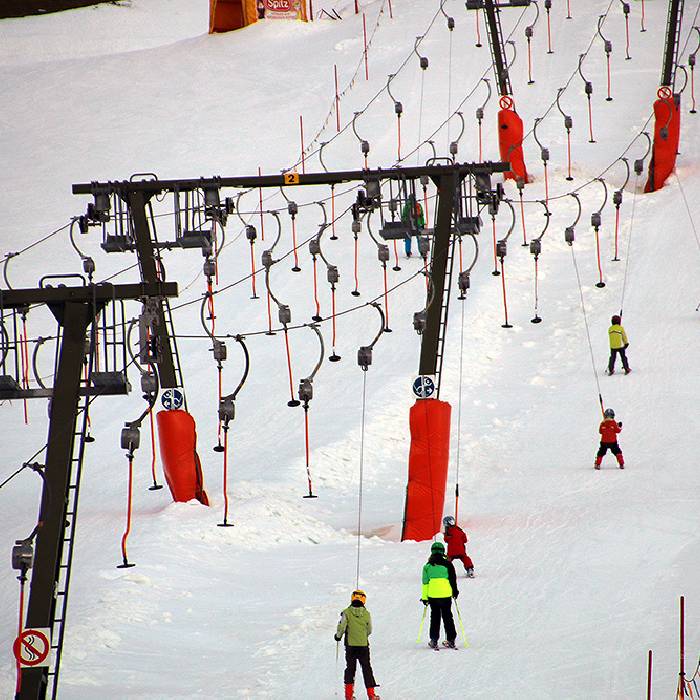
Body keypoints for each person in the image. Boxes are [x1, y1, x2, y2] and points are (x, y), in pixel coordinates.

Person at [334, 589, 380, 700]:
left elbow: (342, 627)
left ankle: (349, 696)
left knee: (350, 668)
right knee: (366, 668)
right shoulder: (366, 614)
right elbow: (369, 630)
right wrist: (362, 636)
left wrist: (338, 636)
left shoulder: (346, 612)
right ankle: (371, 695)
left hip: (350, 646)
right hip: (363, 646)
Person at [420, 541, 459, 649]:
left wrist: (424, 597)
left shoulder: (427, 566)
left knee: (435, 617)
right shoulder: (448, 565)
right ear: (443, 552)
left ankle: (434, 639)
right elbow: (452, 580)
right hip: (446, 595)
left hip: (433, 595)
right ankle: (451, 639)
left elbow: (425, 583)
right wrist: (455, 591)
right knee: (448, 617)